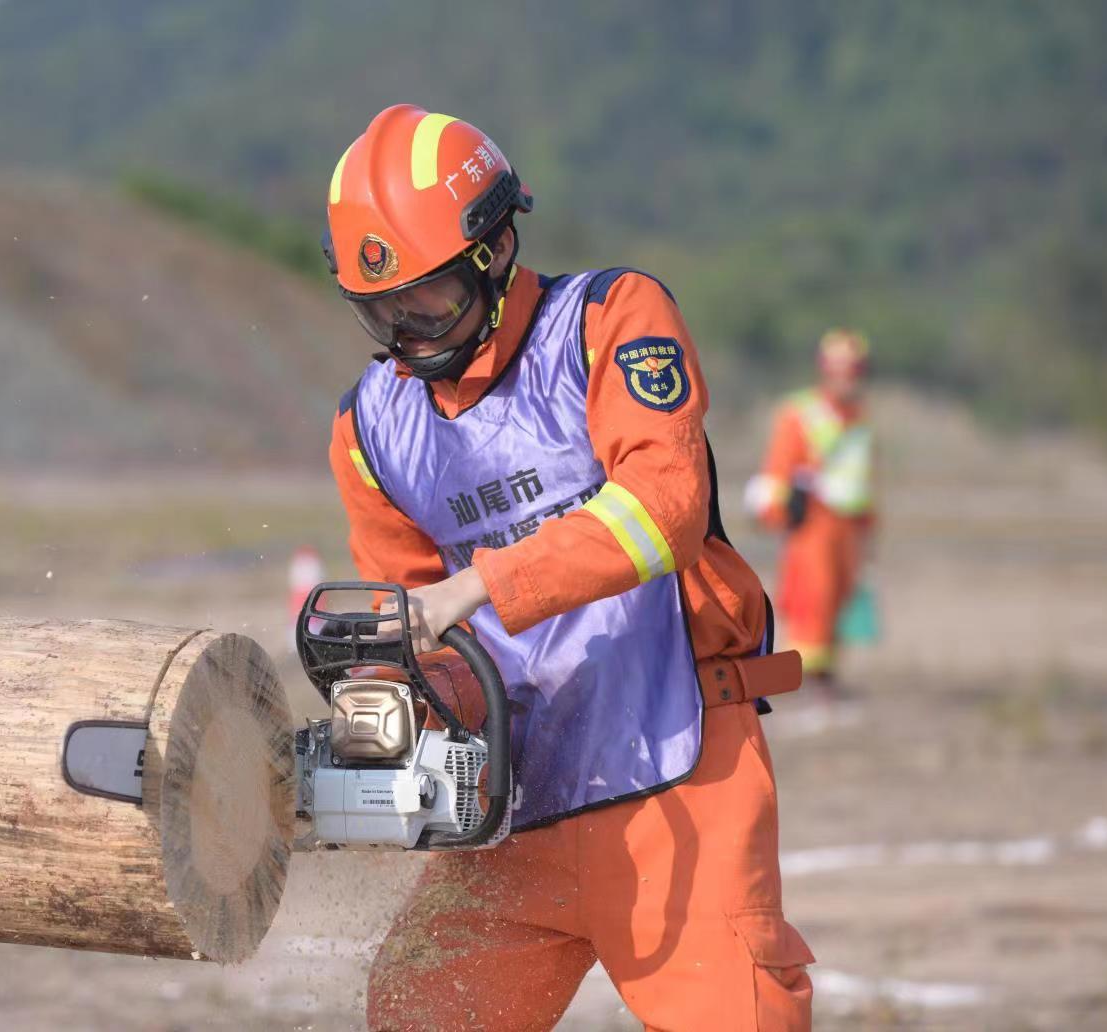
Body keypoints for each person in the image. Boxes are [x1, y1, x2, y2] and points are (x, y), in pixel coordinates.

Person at [323, 104, 813, 1032]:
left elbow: (664, 509)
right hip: (512, 805)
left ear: (497, 250)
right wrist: (383, 720)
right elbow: (416, 632)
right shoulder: (367, 430)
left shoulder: (609, 320)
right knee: (415, 1016)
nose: (408, 333)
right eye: (379, 310)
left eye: (427, 301)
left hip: (678, 770)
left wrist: (479, 585)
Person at [745, 330, 877, 699]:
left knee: (839, 603)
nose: (847, 378)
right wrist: (775, 511)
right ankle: (806, 685)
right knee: (811, 601)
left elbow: (865, 478)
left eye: (854, 369)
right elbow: (778, 469)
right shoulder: (801, 412)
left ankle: (825, 679)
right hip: (812, 524)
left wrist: (869, 529)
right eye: (839, 369)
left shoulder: (860, 417)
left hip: (848, 527)